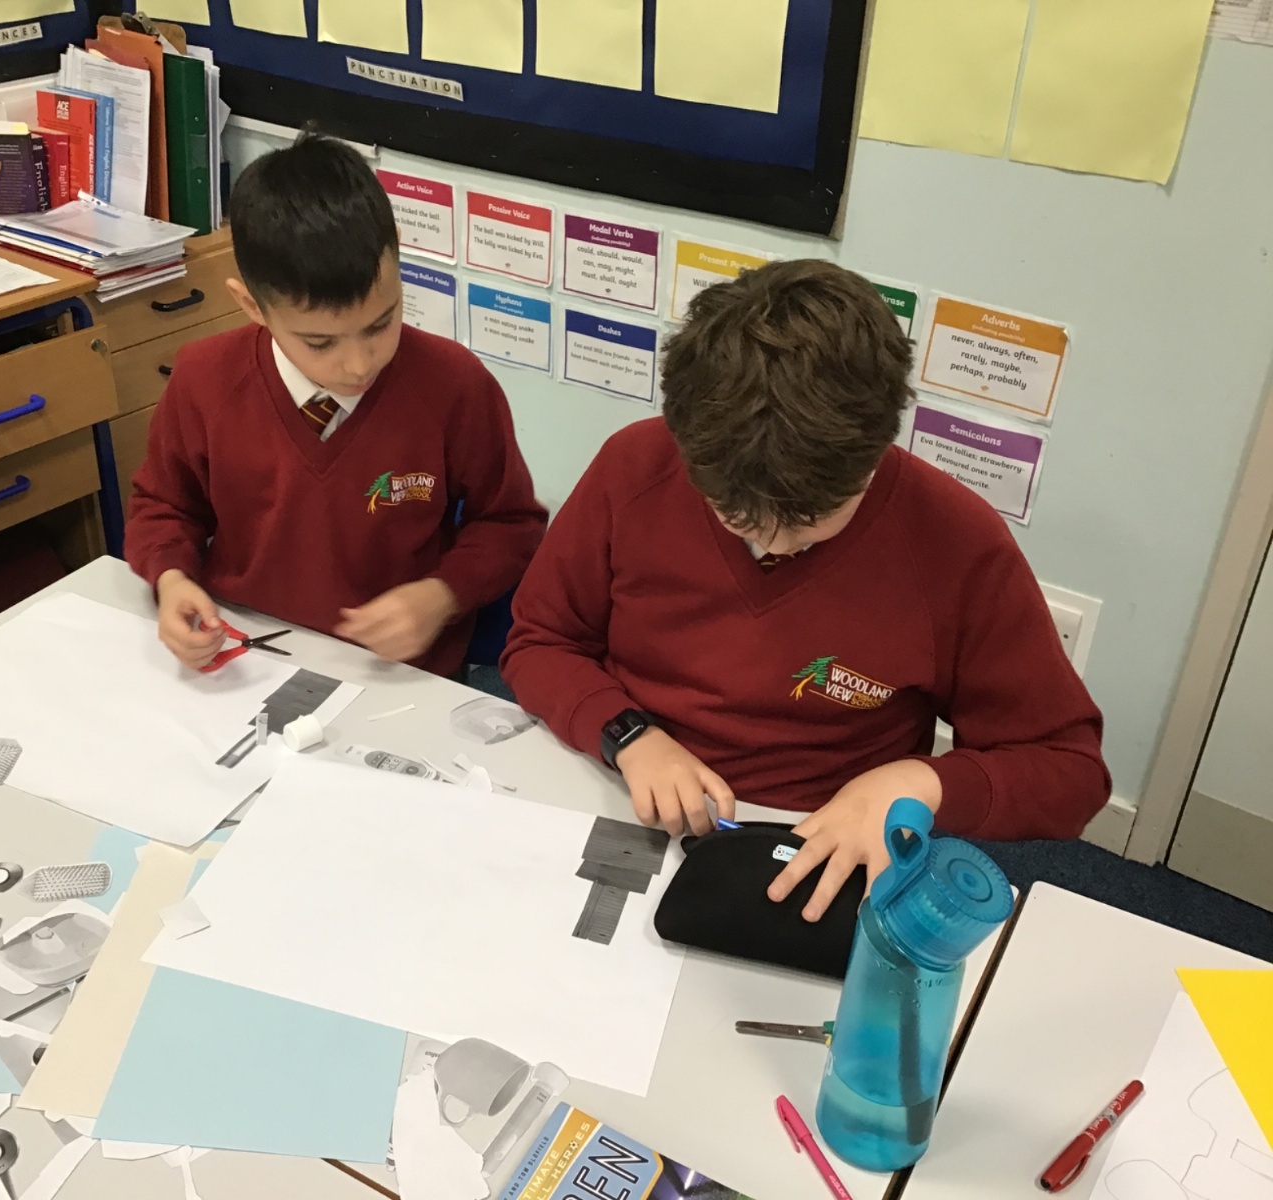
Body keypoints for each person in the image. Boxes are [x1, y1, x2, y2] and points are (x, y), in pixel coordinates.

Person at [501, 260, 1109, 919]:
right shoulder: (636, 468)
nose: (776, 546)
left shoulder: (956, 540)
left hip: (822, 841)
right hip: (626, 787)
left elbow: (1068, 771)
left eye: (813, 521)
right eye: (736, 517)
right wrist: (626, 734)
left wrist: (920, 783)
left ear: (876, 455)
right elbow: (540, 641)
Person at [126, 134, 546, 677]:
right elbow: (163, 506)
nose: (358, 364)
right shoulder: (205, 378)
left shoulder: (454, 384)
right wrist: (172, 578)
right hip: (247, 651)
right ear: (251, 305)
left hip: (394, 671)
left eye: (381, 323)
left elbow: (512, 523)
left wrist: (443, 595)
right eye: (320, 343)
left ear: (397, 255)